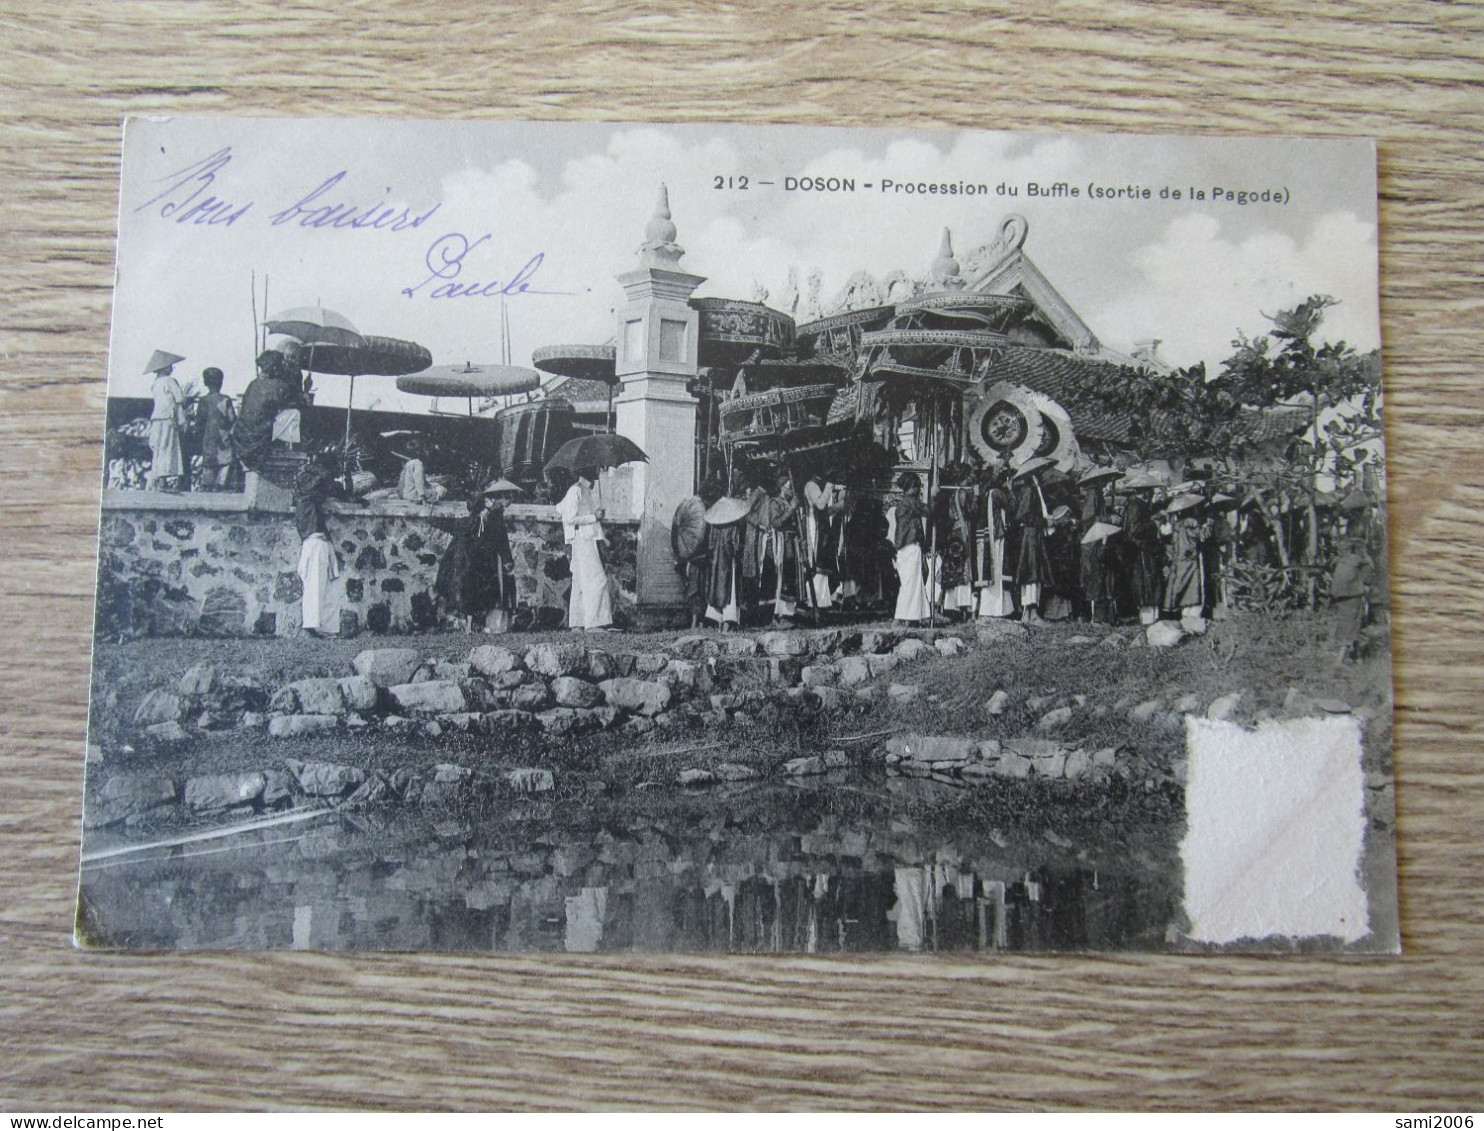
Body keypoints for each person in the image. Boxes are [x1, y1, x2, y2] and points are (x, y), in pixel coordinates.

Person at [435, 483, 517, 633]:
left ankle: (471, 625)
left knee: (471, 592)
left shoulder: (471, 521)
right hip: (478, 562)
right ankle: (475, 624)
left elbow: (448, 525)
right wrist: (507, 560)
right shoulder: (486, 519)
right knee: (478, 591)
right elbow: (501, 539)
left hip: (471, 563)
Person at [557, 466, 614, 631]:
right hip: (582, 540)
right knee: (596, 580)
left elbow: (561, 508)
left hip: (586, 539)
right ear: (587, 473)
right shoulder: (575, 491)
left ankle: (577, 623)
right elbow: (569, 517)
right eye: (595, 473)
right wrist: (593, 516)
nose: (597, 477)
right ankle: (594, 623)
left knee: (581, 582)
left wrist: (601, 534)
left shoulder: (585, 492)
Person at [235, 350, 306, 474]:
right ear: (276, 367)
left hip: (241, 439)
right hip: (257, 442)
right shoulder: (279, 386)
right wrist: (305, 388)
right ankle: (288, 449)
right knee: (294, 413)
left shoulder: (253, 384)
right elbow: (299, 403)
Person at [294, 455, 341, 637]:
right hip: (315, 543)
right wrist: (321, 471)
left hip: (321, 543)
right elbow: (320, 482)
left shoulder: (311, 497)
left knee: (328, 587)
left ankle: (325, 627)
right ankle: (312, 625)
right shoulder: (305, 499)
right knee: (316, 586)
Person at [672, 474, 722, 629]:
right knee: (700, 589)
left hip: (695, 557)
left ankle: (698, 621)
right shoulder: (702, 508)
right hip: (700, 557)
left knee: (696, 590)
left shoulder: (694, 505)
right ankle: (697, 621)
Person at [1011, 458, 1055, 623]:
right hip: (1031, 535)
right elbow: (1024, 515)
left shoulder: (1034, 489)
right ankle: (1031, 612)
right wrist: (1045, 522)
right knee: (1032, 571)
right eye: (1040, 471)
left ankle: (1029, 613)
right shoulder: (1029, 490)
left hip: (1033, 533)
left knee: (1033, 571)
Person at [888, 472, 929, 625]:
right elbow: (928, 511)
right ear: (911, 488)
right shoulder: (910, 501)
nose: (918, 490)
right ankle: (900, 618)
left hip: (906, 547)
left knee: (913, 581)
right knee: (911, 582)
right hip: (910, 546)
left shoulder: (904, 503)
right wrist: (935, 495)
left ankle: (915, 616)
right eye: (916, 487)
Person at [143, 350, 187, 491]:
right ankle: (163, 481)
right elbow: (179, 400)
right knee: (168, 447)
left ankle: (159, 479)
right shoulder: (170, 381)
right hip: (168, 418)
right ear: (165, 367)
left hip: (157, 419)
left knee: (159, 448)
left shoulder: (155, 384)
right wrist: (182, 420)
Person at [1330, 532, 1375, 663]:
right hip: (1345, 598)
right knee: (1351, 625)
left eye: (1341, 548)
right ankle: (1356, 656)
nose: (1339, 550)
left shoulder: (1353, 561)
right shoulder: (1344, 561)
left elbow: (1368, 573)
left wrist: (1365, 585)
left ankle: (1341, 661)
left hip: (1351, 597)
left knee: (1349, 626)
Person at [196, 367, 237, 491]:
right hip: (223, 436)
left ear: (205, 383)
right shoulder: (225, 399)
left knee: (208, 464)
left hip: (209, 437)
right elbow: (232, 418)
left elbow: (200, 422)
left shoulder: (203, 401)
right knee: (225, 462)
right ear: (221, 382)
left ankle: (207, 487)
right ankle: (221, 486)